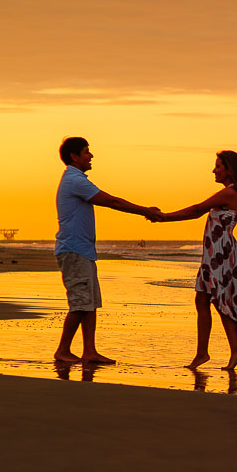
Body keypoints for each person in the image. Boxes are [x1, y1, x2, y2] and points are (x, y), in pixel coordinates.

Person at [148, 150, 237, 370]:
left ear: (229, 170)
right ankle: (204, 353)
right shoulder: (229, 192)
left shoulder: (230, 193)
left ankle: (230, 351)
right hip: (214, 253)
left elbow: (197, 209)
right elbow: (199, 212)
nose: (214, 170)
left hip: (221, 254)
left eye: (218, 166)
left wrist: (164, 217)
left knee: (219, 301)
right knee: (203, 301)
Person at [54, 137, 160, 365]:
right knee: (80, 303)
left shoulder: (76, 179)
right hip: (73, 250)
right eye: (86, 152)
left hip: (83, 251)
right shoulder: (74, 179)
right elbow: (112, 202)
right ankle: (63, 350)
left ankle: (89, 351)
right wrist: (145, 210)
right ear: (74, 156)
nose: (90, 156)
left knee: (90, 302)